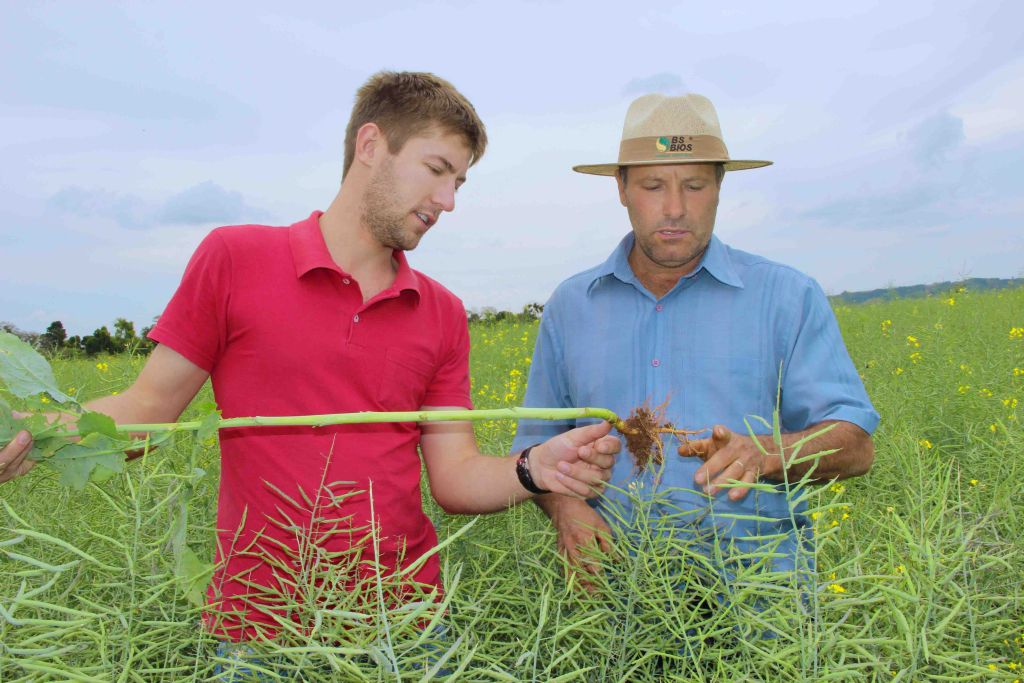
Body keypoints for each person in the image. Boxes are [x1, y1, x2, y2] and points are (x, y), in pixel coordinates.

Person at [0, 71, 619, 644]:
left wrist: (536, 467)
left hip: (404, 626)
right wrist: (40, 432)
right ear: (371, 145)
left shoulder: (442, 312)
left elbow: (454, 479)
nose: (449, 199)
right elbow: (148, 408)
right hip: (258, 629)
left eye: (459, 181)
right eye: (436, 169)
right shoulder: (234, 259)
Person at [512, 93, 879, 584]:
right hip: (616, 604)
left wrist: (767, 453)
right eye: (652, 185)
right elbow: (535, 450)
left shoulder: (788, 296)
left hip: (762, 603)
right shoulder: (572, 307)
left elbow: (855, 445)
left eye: (695, 184)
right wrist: (563, 509)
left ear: (720, 186)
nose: (675, 208)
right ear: (621, 189)